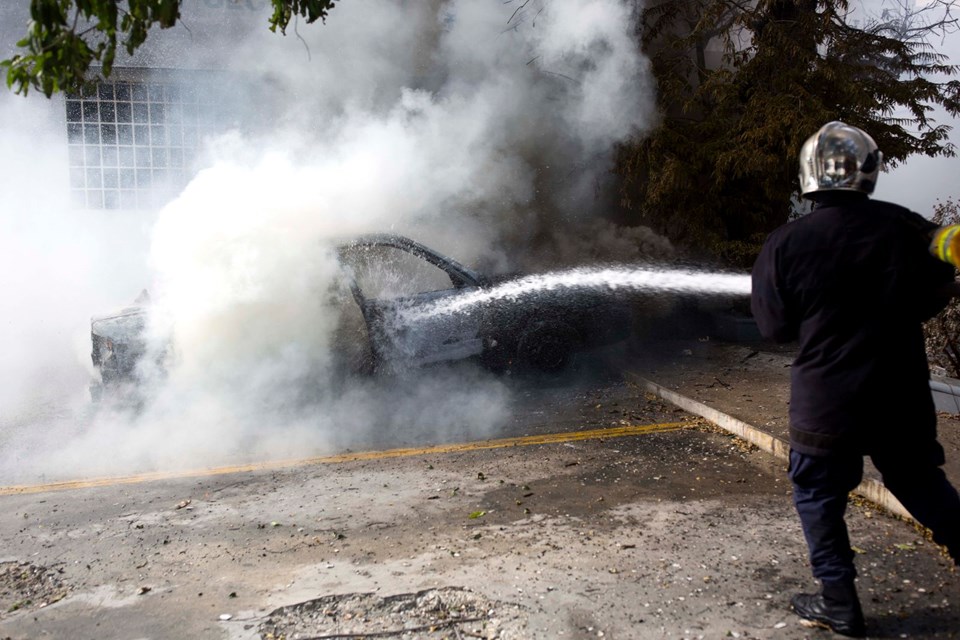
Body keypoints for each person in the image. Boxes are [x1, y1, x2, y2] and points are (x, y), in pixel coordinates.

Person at [750, 121, 960, 637]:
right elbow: (936, 292)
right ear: (868, 171)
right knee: (920, 482)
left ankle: (839, 601)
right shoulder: (907, 227)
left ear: (809, 176)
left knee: (819, 495)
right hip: (900, 393)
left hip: (829, 401)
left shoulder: (786, 243)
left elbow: (773, 328)